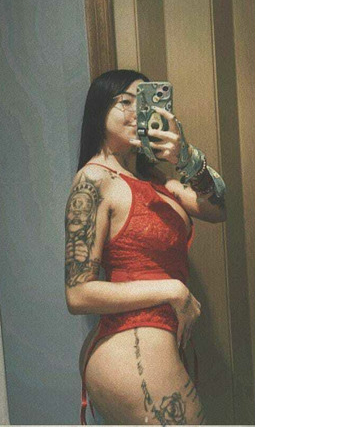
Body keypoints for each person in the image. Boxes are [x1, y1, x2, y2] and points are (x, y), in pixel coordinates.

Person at [65, 69, 227, 425]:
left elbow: (217, 208)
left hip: (156, 343)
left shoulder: (156, 179)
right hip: (130, 346)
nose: (136, 112)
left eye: (143, 102)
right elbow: (78, 295)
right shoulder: (94, 179)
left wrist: (184, 155)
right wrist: (172, 290)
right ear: (99, 110)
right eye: (124, 101)